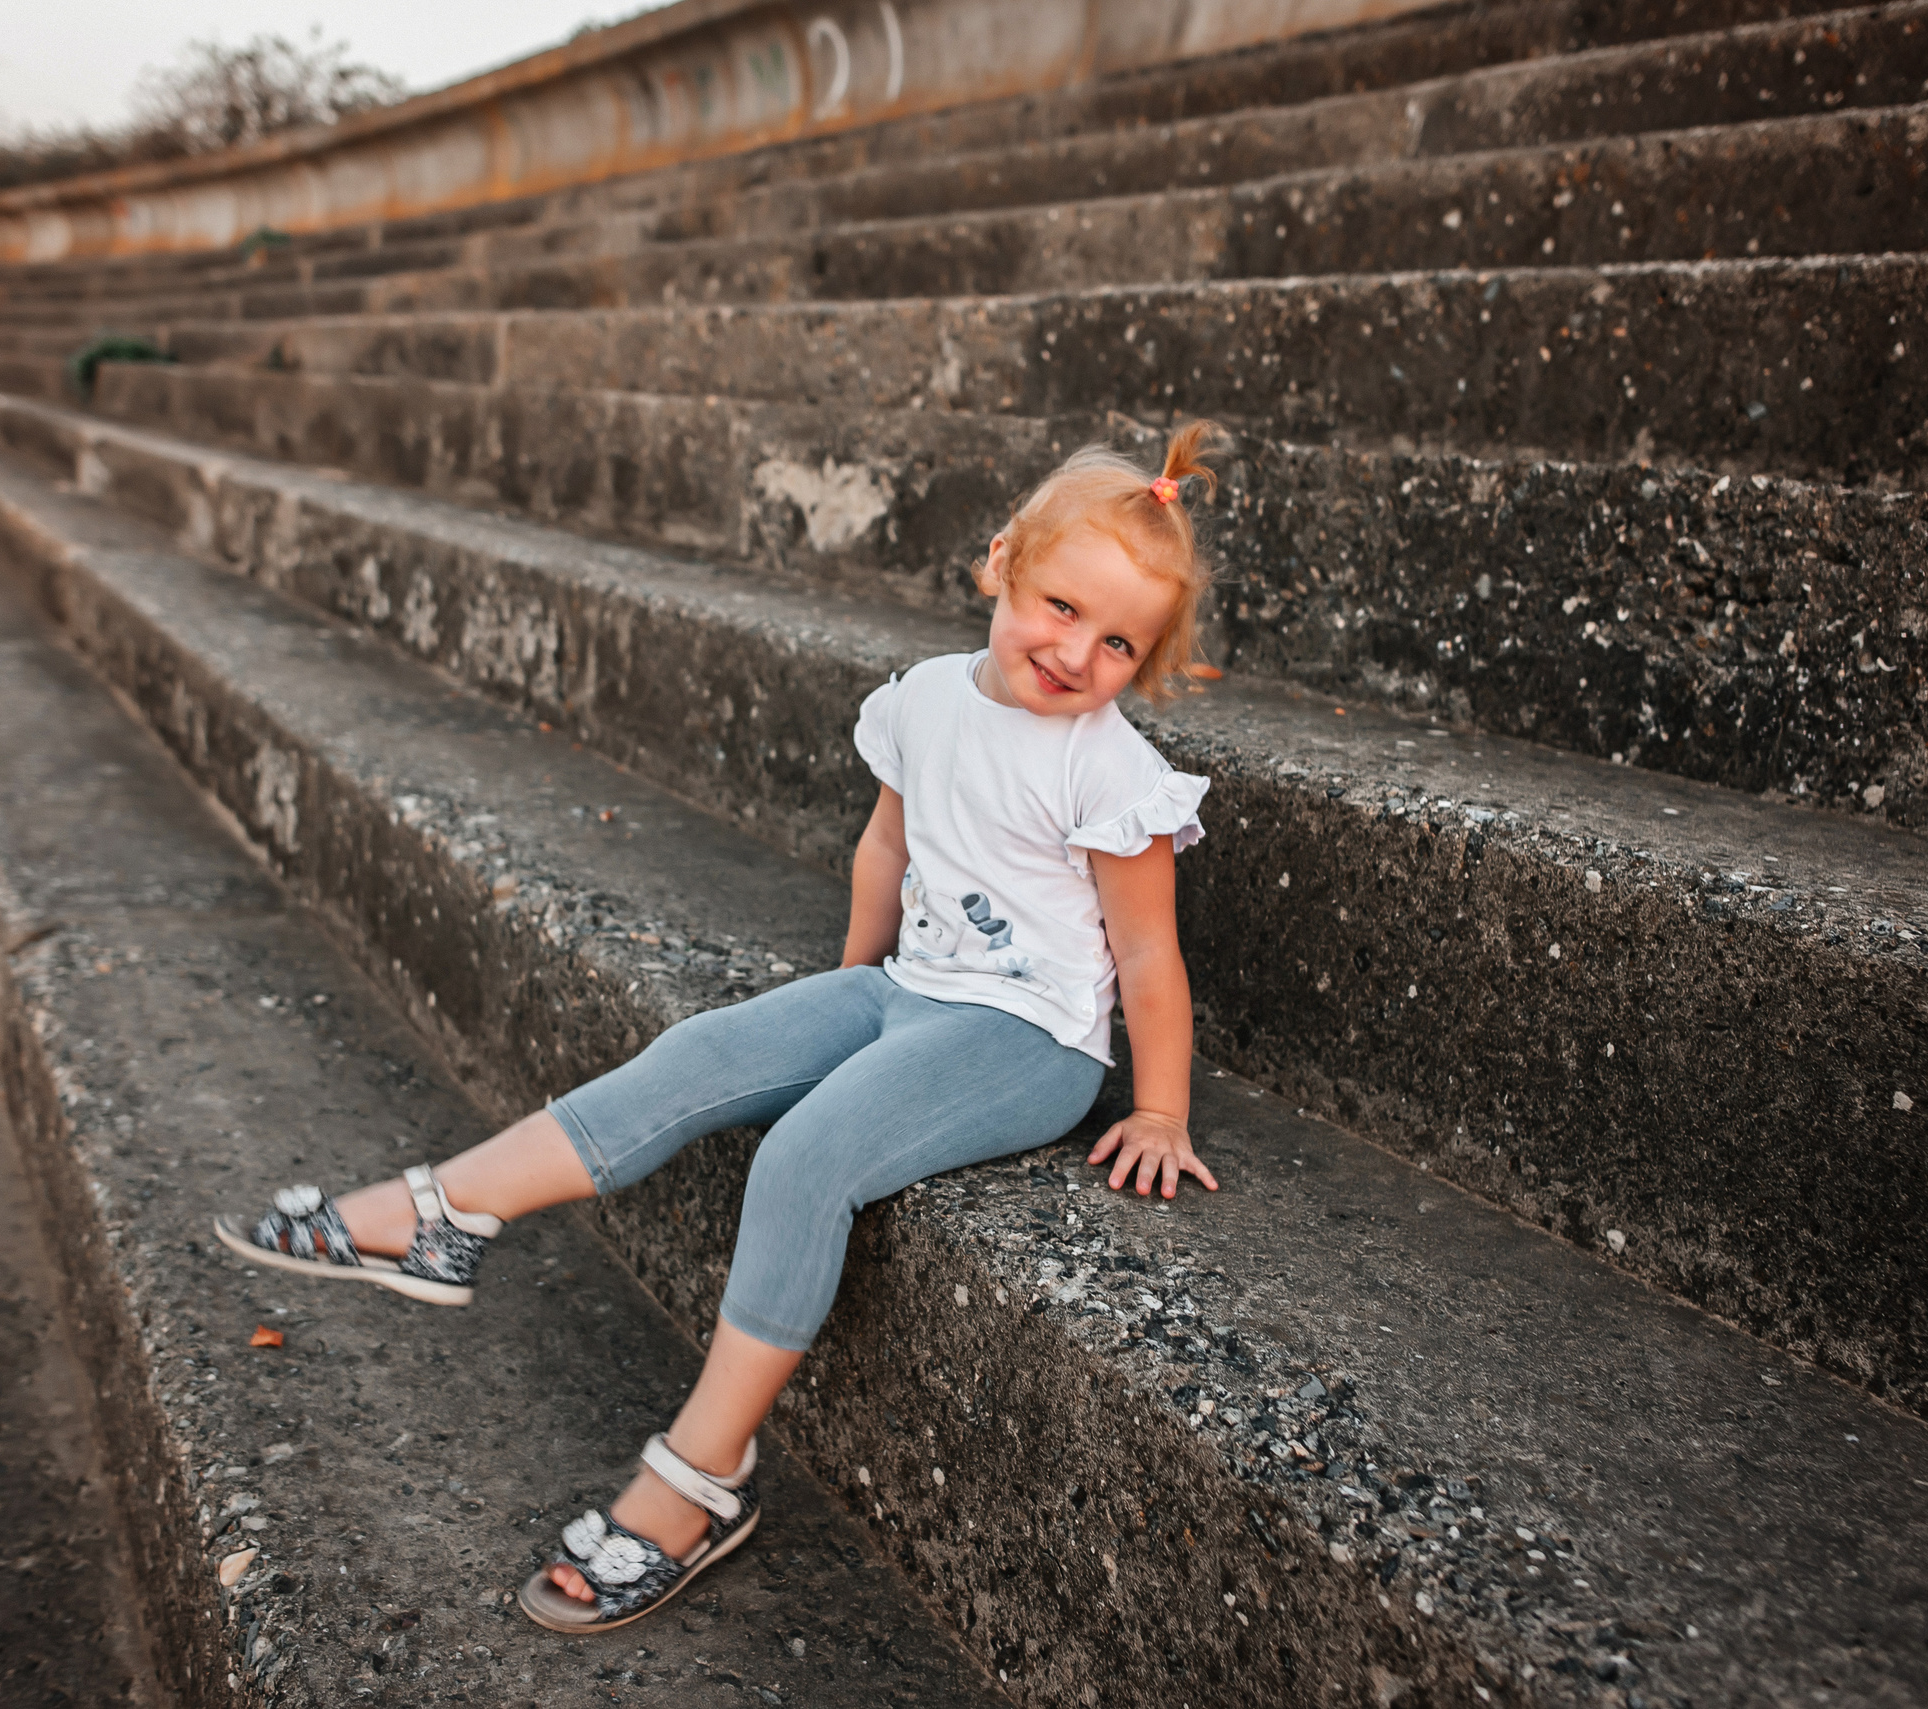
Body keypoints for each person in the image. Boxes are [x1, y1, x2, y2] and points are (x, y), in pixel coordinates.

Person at [214, 423, 1230, 1632]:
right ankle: (444, 1211)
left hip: (1027, 1040)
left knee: (805, 1155)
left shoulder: (1111, 772)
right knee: (700, 1054)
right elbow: (886, 847)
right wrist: (843, 997)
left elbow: (1148, 956)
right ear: (1001, 561)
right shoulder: (922, 698)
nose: (1075, 651)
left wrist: (1158, 1106)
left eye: (1118, 642)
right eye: (1061, 606)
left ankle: (702, 1473)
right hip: (909, 987)